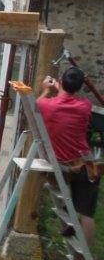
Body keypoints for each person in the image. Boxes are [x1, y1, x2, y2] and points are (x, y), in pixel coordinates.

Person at [38, 66, 99, 250]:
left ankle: (69, 223)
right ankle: (83, 256)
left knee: (65, 196)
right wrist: (65, 85)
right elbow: (72, 97)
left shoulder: (46, 105)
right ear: (80, 86)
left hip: (60, 166)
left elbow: (38, 104)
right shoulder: (85, 106)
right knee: (87, 213)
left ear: (61, 81)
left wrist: (47, 89)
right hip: (84, 164)